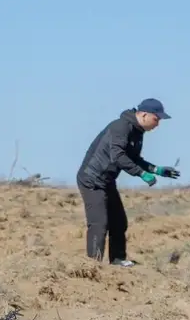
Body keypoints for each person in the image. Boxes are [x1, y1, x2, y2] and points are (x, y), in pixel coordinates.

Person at [76, 99, 180, 267]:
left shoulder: (137, 132)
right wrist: (141, 174)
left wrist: (156, 169)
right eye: (157, 119)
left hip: (107, 181)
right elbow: (117, 156)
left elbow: (133, 159)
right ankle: (92, 266)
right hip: (92, 179)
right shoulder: (121, 127)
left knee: (119, 222)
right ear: (144, 115)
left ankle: (117, 260)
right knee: (99, 223)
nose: (158, 124)